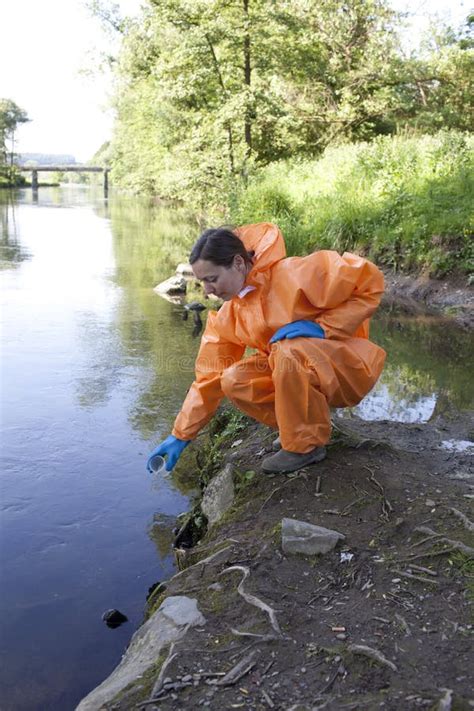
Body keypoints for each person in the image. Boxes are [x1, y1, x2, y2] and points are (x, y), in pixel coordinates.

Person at [147, 222, 386, 475]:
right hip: (300, 370)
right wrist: (181, 435)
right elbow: (209, 378)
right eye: (203, 282)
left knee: (288, 352)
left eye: (212, 279)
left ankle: (305, 446)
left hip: (347, 367)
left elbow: (370, 281)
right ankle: (297, 429)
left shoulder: (294, 274)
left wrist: (326, 327)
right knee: (233, 379)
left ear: (238, 263)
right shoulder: (231, 313)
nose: (207, 291)